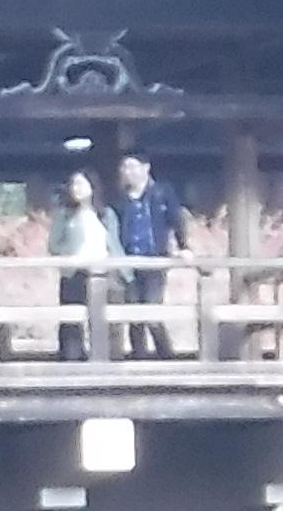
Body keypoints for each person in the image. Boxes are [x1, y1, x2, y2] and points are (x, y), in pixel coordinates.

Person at [109, 148, 191, 356]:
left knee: (153, 313)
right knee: (134, 315)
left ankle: (167, 357)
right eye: (125, 167)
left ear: (146, 168)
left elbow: (176, 220)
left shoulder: (162, 193)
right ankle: (139, 358)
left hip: (155, 260)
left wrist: (184, 246)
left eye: (133, 166)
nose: (128, 171)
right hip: (128, 262)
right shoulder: (120, 199)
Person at [47, 162, 118, 361]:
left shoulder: (106, 214)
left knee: (103, 318)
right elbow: (54, 244)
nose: (76, 189)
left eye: (81, 184)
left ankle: (105, 359)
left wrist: (123, 271)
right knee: (71, 320)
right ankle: (71, 358)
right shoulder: (64, 214)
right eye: (74, 185)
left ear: (92, 187)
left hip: (102, 272)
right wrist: (71, 256)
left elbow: (114, 244)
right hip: (73, 272)